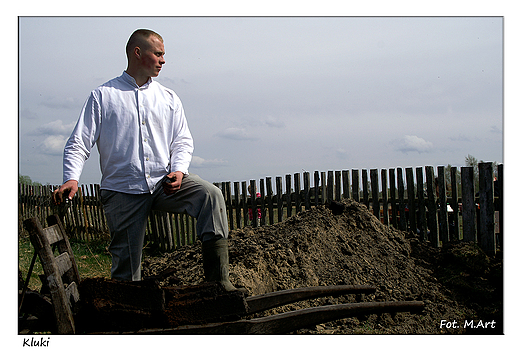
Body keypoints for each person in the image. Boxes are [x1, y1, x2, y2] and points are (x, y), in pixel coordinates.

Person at [52, 29, 239, 291]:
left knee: (210, 195)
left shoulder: (168, 98)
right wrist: (71, 178)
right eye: (159, 54)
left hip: (164, 184)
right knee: (127, 271)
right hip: (122, 190)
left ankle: (219, 285)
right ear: (138, 53)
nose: (163, 60)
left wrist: (179, 171)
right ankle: (129, 318)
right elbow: (79, 141)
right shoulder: (104, 96)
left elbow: (182, 140)